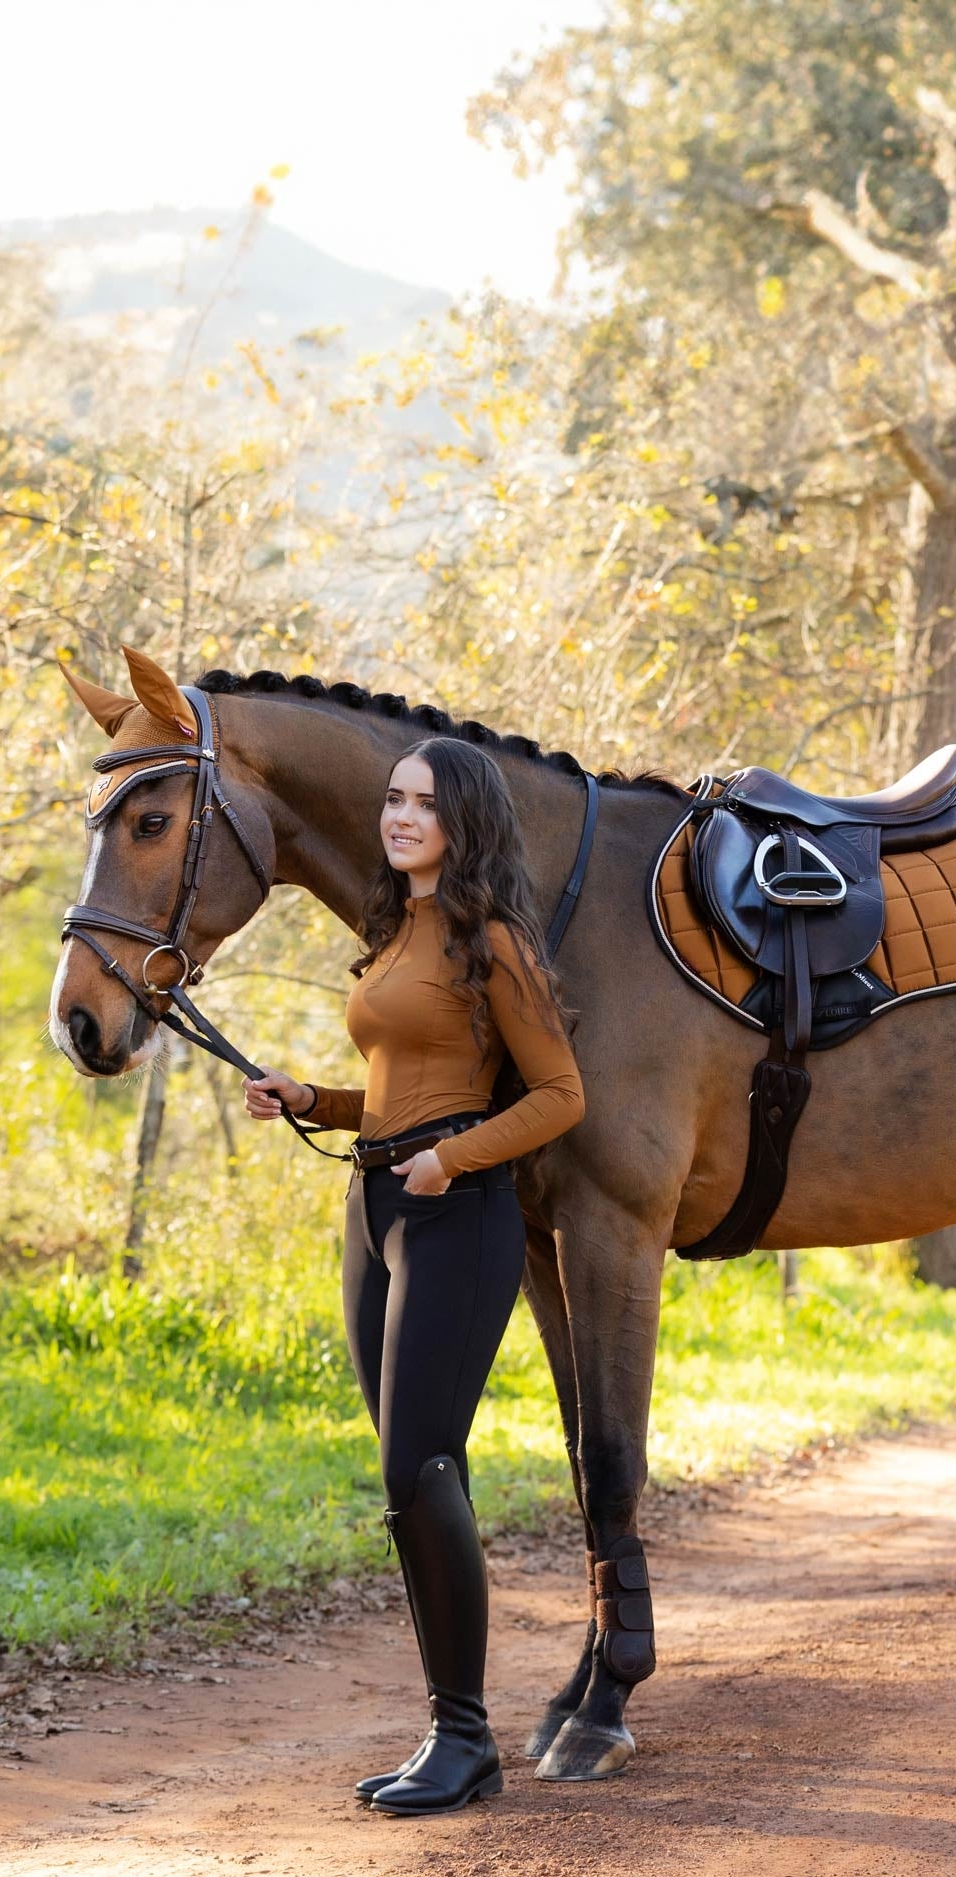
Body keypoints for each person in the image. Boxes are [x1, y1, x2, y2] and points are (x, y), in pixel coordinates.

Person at [245, 738, 583, 1817]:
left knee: (419, 1467)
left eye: (422, 805)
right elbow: (401, 1084)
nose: (398, 818)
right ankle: (451, 1727)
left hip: (457, 1214)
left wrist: (457, 1159)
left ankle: (464, 1737)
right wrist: (316, 1099)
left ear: (463, 822)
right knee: (412, 1484)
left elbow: (560, 1094)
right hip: (374, 1202)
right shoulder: (395, 932)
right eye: (392, 798)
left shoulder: (494, 941)